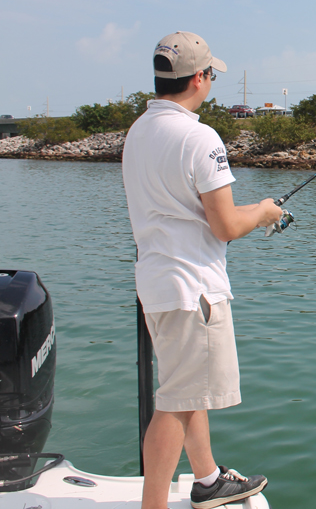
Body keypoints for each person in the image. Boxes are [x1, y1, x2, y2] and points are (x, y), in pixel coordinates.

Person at [122, 32, 282, 509]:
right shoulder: (200, 137)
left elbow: (194, 215)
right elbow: (226, 226)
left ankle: (208, 478)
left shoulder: (139, 132)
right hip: (194, 292)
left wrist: (256, 211)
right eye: (211, 73)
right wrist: (265, 211)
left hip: (156, 285)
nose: (211, 81)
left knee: (185, 388)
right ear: (199, 78)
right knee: (176, 402)